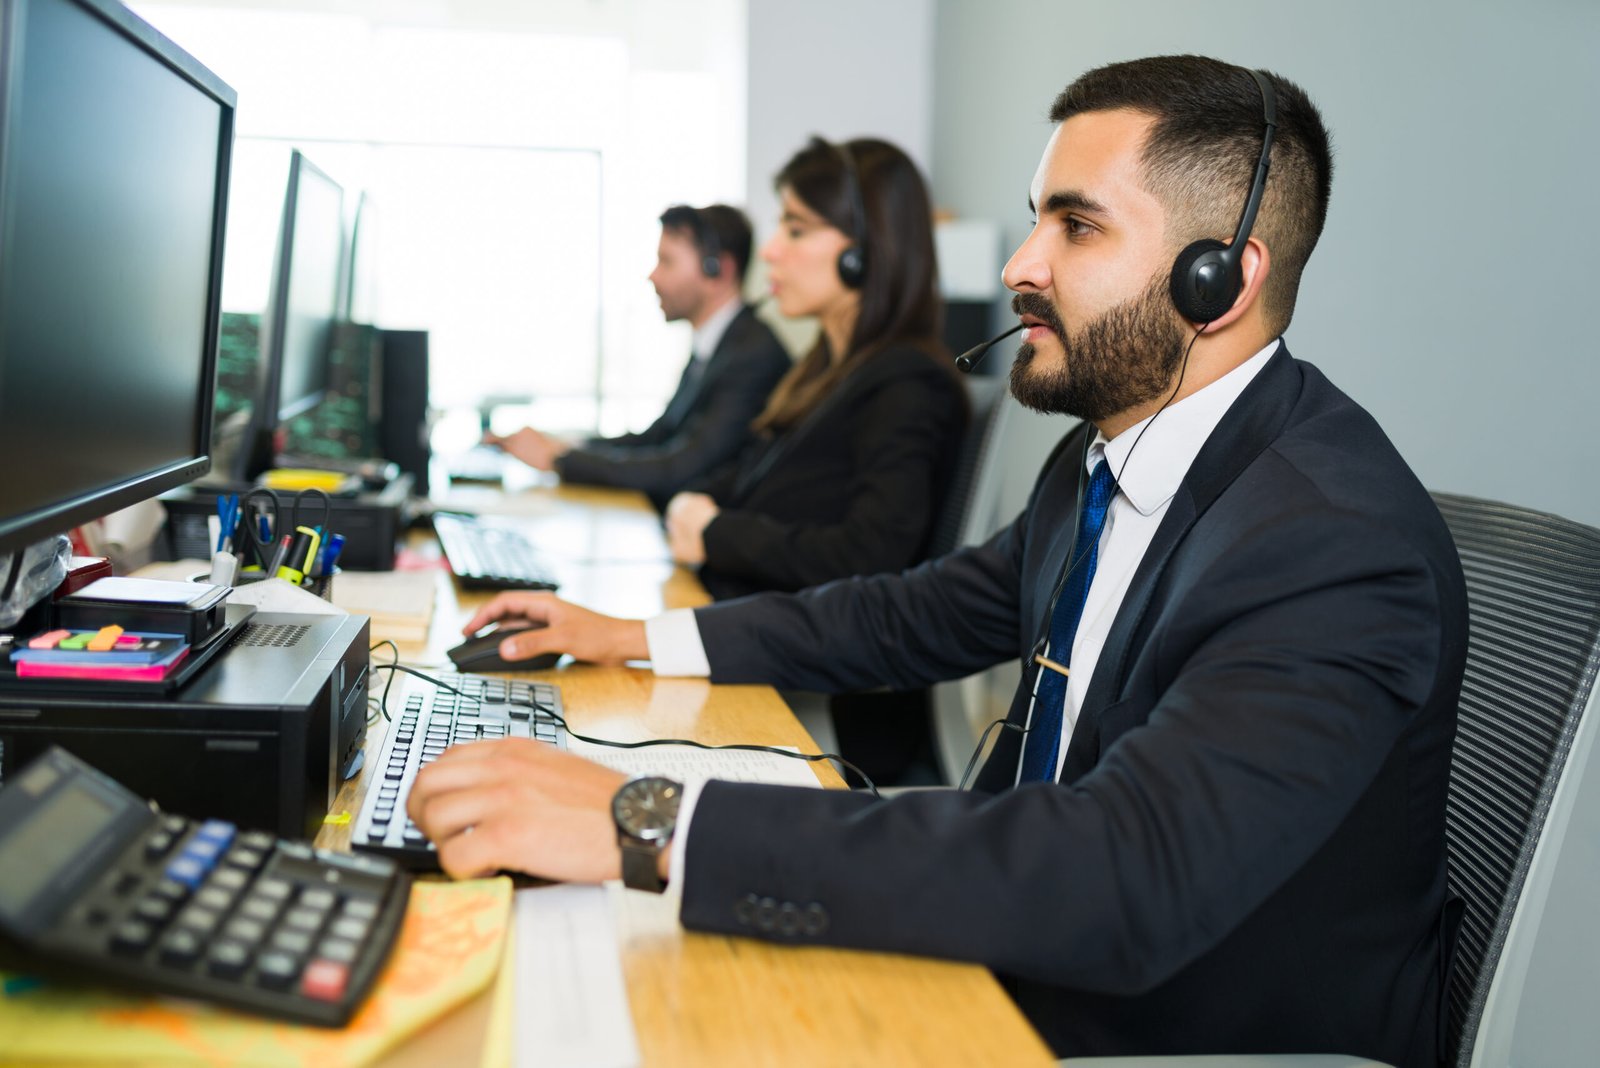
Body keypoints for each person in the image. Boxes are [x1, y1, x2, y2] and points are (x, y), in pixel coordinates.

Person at [409, 56, 1468, 1067]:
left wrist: (646, 821)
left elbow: (1125, 871)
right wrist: (636, 638)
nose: (1019, 265)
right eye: (1036, 216)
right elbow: (908, 616)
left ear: (1215, 282)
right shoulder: (1104, 459)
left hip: (1178, 1035)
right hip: (1029, 958)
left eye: (1076, 225)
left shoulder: (1332, 546)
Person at [660, 137, 968, 602]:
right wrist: (690, 503)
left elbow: (871, 555)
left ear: (862, 254)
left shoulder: (907, 381)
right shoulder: (826, 368)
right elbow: (750, 474)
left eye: (796, 230)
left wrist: (716, 533)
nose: (770, 251)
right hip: (748, 615)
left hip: (796, 657)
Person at [486, 204, 790, 510]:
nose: (652, 276)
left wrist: (559, 460)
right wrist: (567, 445)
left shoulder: (752, 354)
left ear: (718, 270)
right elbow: (657, 437)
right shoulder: (719, 344)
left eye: (667, 262)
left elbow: (679, 468)